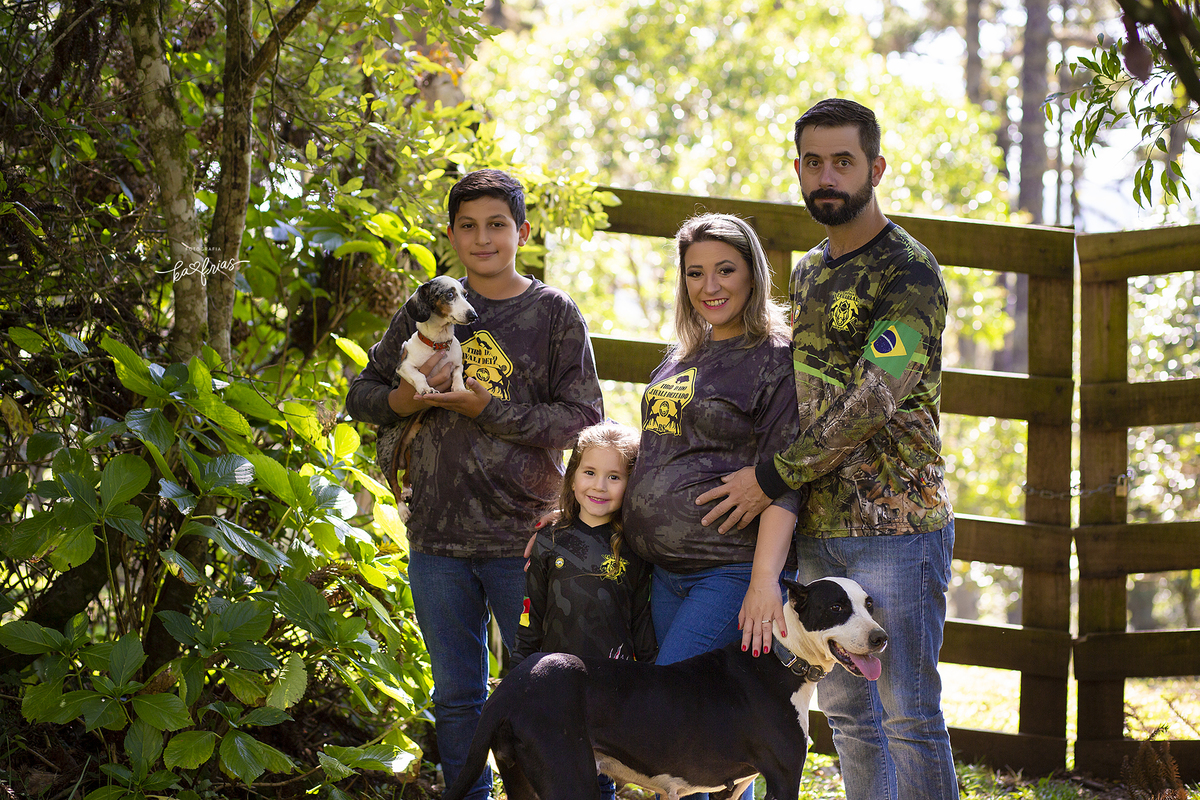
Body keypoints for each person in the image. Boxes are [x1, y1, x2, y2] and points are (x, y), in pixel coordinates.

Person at [698, 98, 958, 800]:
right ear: (798, 170)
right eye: (813, 162)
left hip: (898, 525)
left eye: (843, 161)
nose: (827, 176)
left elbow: (876, 397)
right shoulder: (810, 271)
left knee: (909, 715)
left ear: (876, 167)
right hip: (817, 525)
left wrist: (771, 475)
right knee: (847, 715)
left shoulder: (910, 272)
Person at [345, 169, 604, 800]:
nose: (483, 238)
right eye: (468, 226)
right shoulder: (425, 306)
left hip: (526, 538)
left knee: (547, 690)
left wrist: (486, 409)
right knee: (456, 695)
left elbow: (584, 419)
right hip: (435, 538)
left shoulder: (552, 313)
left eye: (497, 225)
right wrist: (405, 400)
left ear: (523, 232)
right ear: (452, 234)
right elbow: (362, 395)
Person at [621, 213, 803, 677]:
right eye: (695, 273)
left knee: (669, 697)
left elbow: (786, 477)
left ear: (753, 275)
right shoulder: (684, 353)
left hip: (727, 570)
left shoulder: (773, 358)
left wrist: (764, 581)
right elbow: (661, 449)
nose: (710, 286)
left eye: (725, 270)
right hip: (663, 573)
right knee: (675, 704)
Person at [513, 421, 656, 800]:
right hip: (555, 686)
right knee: (559, 776)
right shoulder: (549, 541)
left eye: (614, 477)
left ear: (631, 483)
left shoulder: (636, 547)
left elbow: (642, 621)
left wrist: (652, 682)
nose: (599, 486)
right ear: (573, 476)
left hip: (611, 689)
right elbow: (530, 616)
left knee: (600, 775)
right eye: (589, 472)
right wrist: (518, 676)